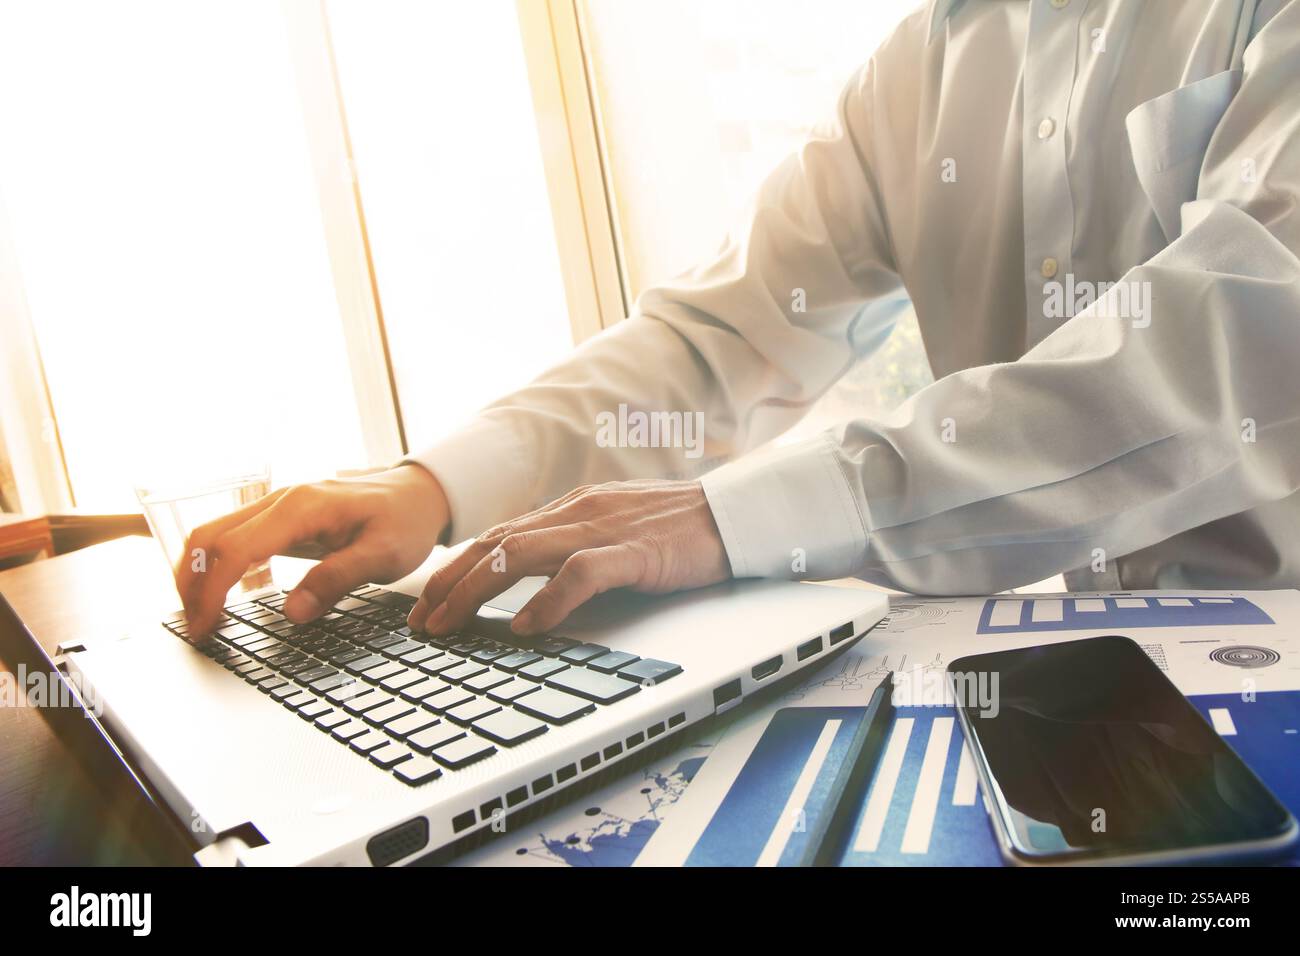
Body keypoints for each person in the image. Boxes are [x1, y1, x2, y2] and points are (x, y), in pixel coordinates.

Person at [180, 0, 1300, 641]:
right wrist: (432, 487)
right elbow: (722, 336)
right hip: (1043, 667)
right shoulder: (918, 68)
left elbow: (1237, 347)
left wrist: (747, 513)